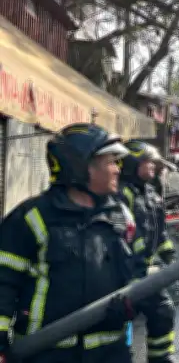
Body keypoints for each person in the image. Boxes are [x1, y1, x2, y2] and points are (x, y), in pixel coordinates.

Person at [0, 123, 139, 363]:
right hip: (46, 354)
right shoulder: (33, 217)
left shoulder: (119, 217)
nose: (117, 170)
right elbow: (3, 282)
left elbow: (138, 272)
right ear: (81, 166)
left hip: (108, 353)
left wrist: (131, 304)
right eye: (110, 162)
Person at [118, 140, 177, 363]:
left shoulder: (152, 193)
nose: (153, 167)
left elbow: (160, 233)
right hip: (125, 273)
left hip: (147, 272)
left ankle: (161, 358)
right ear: (132, 163)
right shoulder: (120, 194)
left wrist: (171, 257)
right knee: (120, 320)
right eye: (148, 162)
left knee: (163, 312)